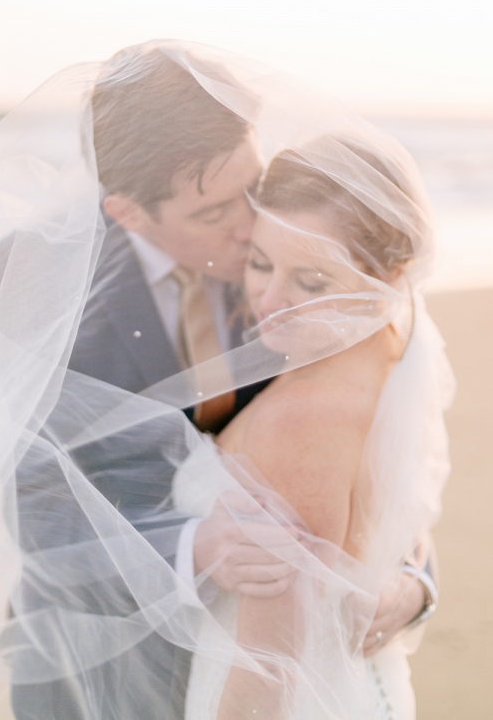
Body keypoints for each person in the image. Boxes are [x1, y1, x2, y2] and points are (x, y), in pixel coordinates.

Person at [0, 42, 450, 720]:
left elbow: (367, 448)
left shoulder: (289, 259)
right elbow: (39, 520)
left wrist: (413, 580)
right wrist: (195, 548)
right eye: (212, 214)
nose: (248, 228)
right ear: (128, 213)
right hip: (99, 670)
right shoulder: (32, 282)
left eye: (251, 185)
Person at [177, 141, 451, 718]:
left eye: (312, 280)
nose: (270, 300)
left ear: (389, 277)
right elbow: (396, 518)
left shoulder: (300, 418)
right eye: (259, 262)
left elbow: (266, 677)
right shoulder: (392, 356)